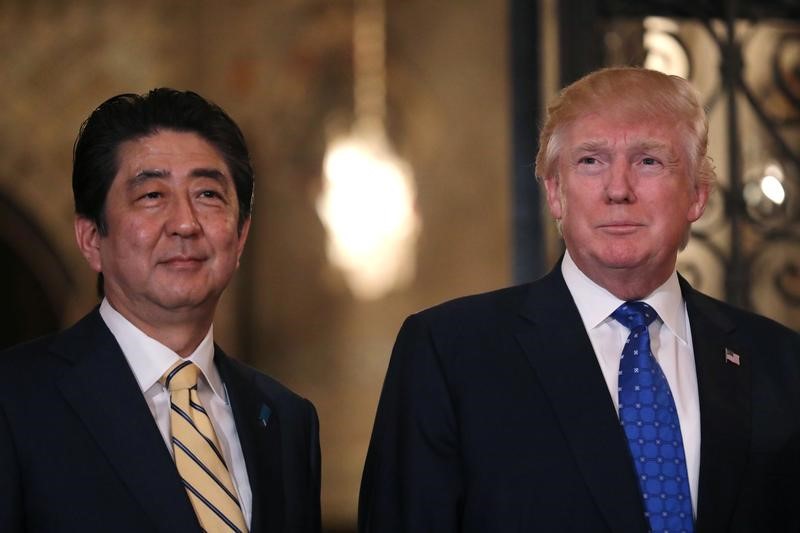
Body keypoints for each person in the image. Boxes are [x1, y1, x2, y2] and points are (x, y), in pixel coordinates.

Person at [358, 67, 800, 532]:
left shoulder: (779, 362)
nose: (618, 189)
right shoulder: (450, 352)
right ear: (554, 192)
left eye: (649, 161)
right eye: (591, 161)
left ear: (697, 194)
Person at [0, 89, 321, 532]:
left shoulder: (287, 420)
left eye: (208, 194)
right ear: (92, 238)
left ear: (241, 235)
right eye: (152, 195)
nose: (185, 223)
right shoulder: (15, 399)